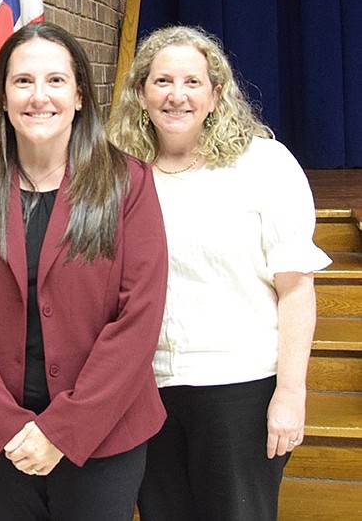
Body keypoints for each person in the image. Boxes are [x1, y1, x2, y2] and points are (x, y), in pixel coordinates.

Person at [0, 23, 169, 519]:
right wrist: (6, 425)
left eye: (56, 81)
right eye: (23, 82)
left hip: (105, 435)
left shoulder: (127, 184)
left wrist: (63, 431)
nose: (40, 96)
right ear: (2, 98)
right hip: (1, 441)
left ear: (80, 95)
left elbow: (138, 316)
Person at [108, 25, 331, 520]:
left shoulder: (263, 165)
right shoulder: (121, 174)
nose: (176, 96)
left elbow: (295, 288)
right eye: (162, 81)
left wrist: (291, 394)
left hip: (240, 389)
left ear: (215, 94)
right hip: (146, 389)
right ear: (141, 94)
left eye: (192, 82)